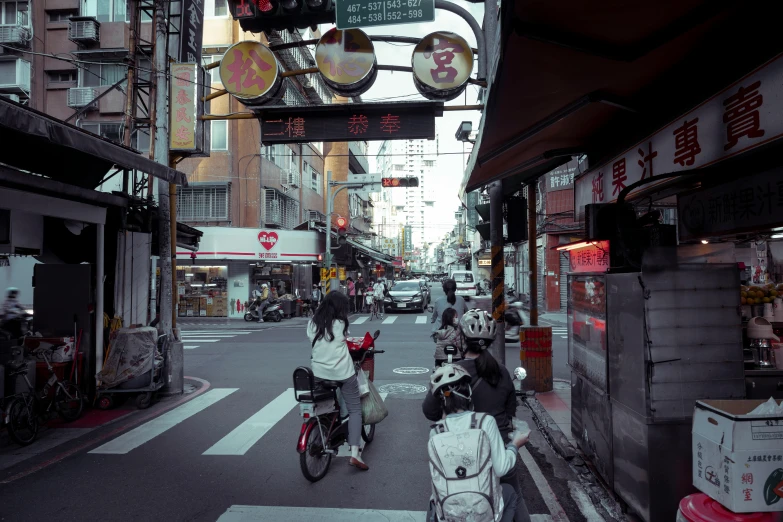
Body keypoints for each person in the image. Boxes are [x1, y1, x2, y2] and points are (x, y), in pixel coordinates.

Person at [422, 309, 531, 521]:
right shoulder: (502, 373)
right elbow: (510, 413)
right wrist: (513, 444)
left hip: (458, 455)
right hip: (497, 450)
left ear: (461, 339)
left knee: (439, 500)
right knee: (514, 496)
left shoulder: (450, 374)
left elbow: (430, 411)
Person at [426, 363, 528, 522]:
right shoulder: (485, 422)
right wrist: (514, 445)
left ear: (441, 401)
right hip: (484, 511)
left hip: (450, 513)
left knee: (433, 502)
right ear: (469, 393)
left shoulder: (436, 432)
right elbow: (501, 469)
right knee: (509, 491)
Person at [306, 291, 368, 471]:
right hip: (343, 374)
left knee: (324, 406)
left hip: (318, 373)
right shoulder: (341, 323)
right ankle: (355, 454)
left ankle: (324, 430)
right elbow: (345, 341)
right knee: (355, 409)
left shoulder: (312, 323)